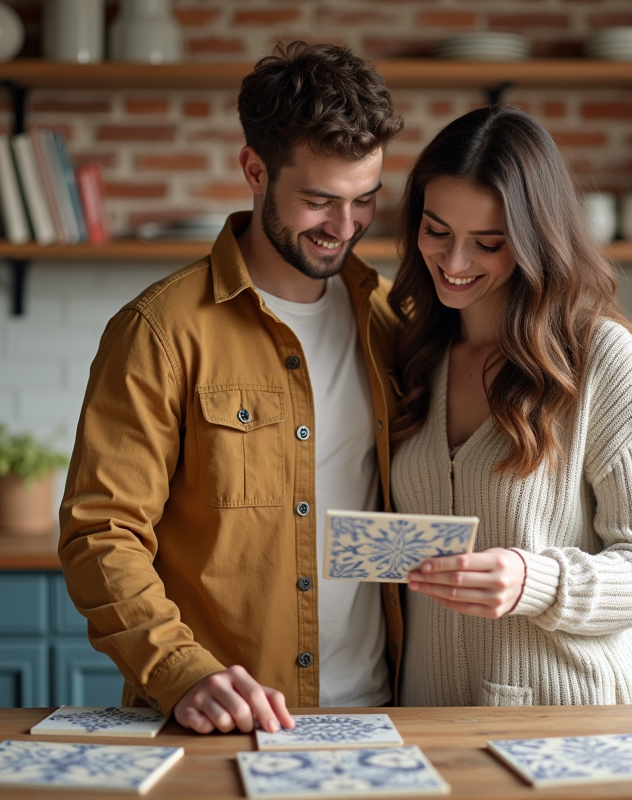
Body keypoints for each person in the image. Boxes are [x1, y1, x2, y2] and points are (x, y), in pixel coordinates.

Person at [58, 42, 406, 735]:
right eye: (318, 201)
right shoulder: (158, 331)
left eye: (364, 199)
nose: (345, 228)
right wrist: (180, 671)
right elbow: (101, 533)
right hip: (215, 724)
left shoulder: (393, 321)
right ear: (254, 169)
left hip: (381, 715)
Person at [388, 105, 632, 707]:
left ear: (533, 241)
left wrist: (535, 580)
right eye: (436, 231)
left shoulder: (596, 355)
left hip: (569, 715)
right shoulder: (415, 350)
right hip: (433, 719)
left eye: (488, 244)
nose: (454, 262)